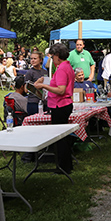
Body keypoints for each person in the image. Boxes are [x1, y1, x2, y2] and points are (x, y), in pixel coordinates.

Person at [34, 43, 75, 173]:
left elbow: (61, 90)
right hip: (63, 104)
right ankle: (67, 164)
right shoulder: (67, 66)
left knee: (60, 138)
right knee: (63, 136)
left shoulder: (62, 68)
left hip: (60, 105)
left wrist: (44, 86)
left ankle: (63, 167)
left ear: (57, 56)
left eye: (52, 56)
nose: (51, 59)